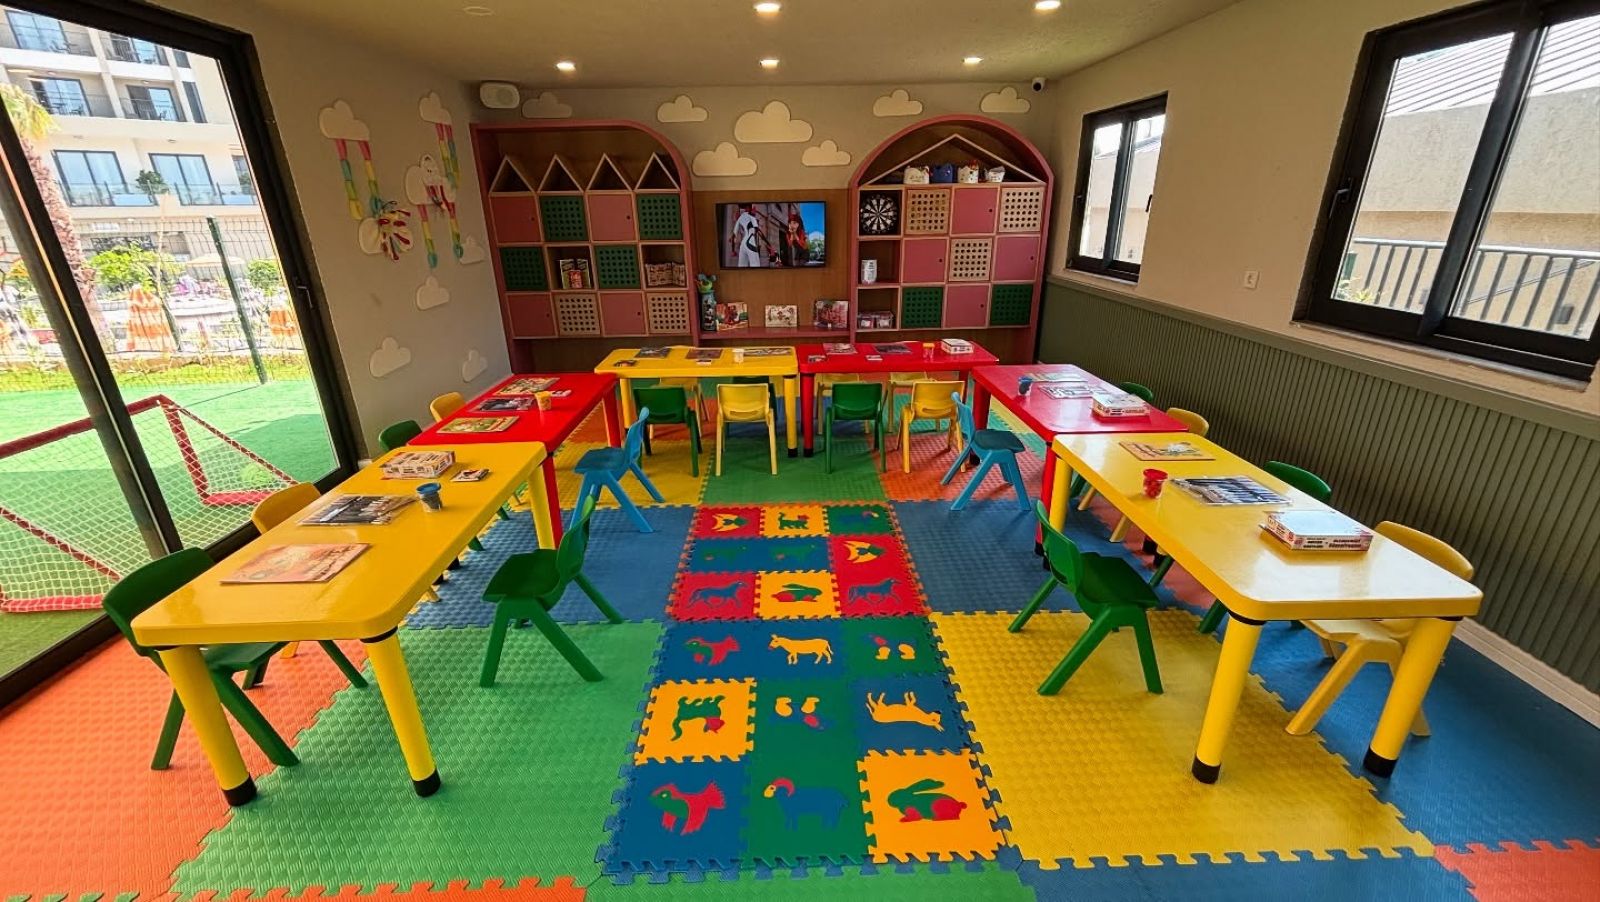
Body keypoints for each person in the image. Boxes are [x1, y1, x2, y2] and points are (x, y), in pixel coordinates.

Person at [730, 204, 768, 268]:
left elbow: (733, 236)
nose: (754, 211)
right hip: (750, 242)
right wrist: (768, 243)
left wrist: (733, 251)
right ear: (748, 208)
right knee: (755, 266)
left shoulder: (739, 219)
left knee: (742, 267)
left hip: (743, 245)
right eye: (753, 209)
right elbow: (758, 231)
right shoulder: (751, 217)